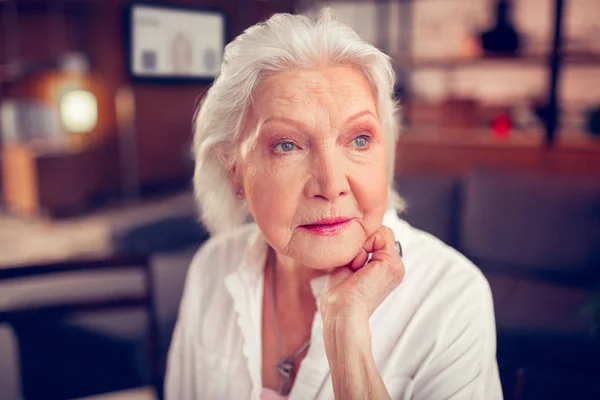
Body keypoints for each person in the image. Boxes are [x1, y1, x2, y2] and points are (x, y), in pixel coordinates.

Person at [165, 9, 502, 400]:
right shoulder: (211, 267)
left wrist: (348, 339)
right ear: (235, 171)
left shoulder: (451, 296)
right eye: (286, 145)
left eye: (359, 139)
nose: (331, 185)